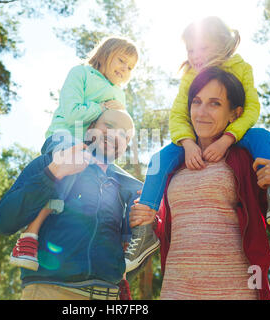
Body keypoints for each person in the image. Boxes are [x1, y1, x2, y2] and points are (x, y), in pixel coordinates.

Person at [129, 67, 270, 300]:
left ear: (234, 114)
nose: (202, 112)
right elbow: (173, 228)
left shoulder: (247, 159)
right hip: (176, 292)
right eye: (197, 102)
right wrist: (149, 220)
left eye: (215, 103)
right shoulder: (173, 164)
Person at [8, 36, 159, 272]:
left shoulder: (119, 95)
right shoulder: (81, 74)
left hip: (92, 151)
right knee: (70, 166)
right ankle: (30, 235)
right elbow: (72, 114)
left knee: (134, 185)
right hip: (64, 138)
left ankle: (136, 240)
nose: (125, 69)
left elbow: (117, 127)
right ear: (105, 53)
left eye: (130, 67)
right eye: (121, 60)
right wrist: (101, 107)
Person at [138, 16, 270, 227]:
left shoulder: (241, 68)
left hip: (235, 132)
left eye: (202, 48)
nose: (195, 56)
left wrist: (227, 139)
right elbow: (178, 115)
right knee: (157, 160)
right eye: (190, 50)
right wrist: (188, 145)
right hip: (193, 139)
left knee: (262, 136)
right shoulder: (190, 76)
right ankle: (144, 225)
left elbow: (251, 108)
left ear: (223, 44)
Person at [0, 109, 145, 300]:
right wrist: (53, 173)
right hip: (51, 292)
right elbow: (4, 221)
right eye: (108, 125)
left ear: (125, 146)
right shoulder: (51, 161)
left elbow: (132, 253)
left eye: (124, 135)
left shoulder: (125, 191)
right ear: (90, 128)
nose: (115, 134)